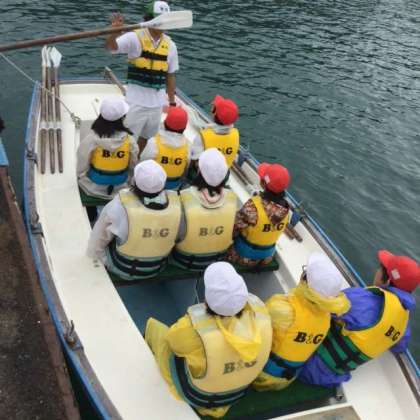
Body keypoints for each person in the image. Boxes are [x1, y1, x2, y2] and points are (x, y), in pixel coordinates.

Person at [145, 261, 272, 418]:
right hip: (235, 394)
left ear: (208, 297)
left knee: (156, 329)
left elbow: (173, 341)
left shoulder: (193, 329)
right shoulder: (262, 316)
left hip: (199, 396)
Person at [299, 250, 420, 388]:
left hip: (304, 362)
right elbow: (399, 347)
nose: (377, 271)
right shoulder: (404, 323)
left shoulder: (360, 298)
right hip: (332, 378)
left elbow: (319, 306)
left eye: (380, 268)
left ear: (387, 281)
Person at [253, 253, 350, 391]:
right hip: (288, 378)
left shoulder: (282, 307)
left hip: (260, 374)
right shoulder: (326, 318)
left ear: (304, 280)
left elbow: (253, 325)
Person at [86, 160, 181, 280]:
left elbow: (99, 237)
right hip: (157, 267)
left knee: (109, 232)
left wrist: (94, 255)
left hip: (123, 268)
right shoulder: (177, 205)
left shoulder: (120, 204)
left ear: (134, 181)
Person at [106, 1, 179, 155]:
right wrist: (114, 32)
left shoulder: (170, 45)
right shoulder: (134, 38)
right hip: (135, 103)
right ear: (149, 19)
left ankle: (137, 158)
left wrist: (172, 102)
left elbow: (170, 75)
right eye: (160, 19)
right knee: (126, 139)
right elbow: (111, 48)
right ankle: (124, 162)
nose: (163, 23)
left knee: (147, 137)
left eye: (166, 19)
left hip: (157, 104)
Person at [173, 148, 238, 271]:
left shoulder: (184, 197)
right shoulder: (233, 199)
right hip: (217, 260)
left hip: (184, 261)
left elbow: (175, 236)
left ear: (199, 171)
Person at [227, 163, 290, 267]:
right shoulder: (286, 209)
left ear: (263, 183)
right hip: (267, 258)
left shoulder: (252, 207)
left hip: (242, 257)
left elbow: (232, 230)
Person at [77, 97, 138, 200]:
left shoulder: (91, 139)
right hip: (121, 188)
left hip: (92, 188)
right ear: (123, 117)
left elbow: (81, 166)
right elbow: (133, 165)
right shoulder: (130, 141)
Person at [140, 106, 190, 190]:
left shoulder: (154, 142)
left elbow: (142, 163)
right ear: (184, 128)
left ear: (165, 123)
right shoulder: (188, 146)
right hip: (174, 187)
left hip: (152, 186)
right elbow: (185, 169)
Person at [189, 95, 239, 169]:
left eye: (214, 109)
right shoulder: (236, 134)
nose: (211, 109)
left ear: (215, 115)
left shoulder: (203, 136)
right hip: (224, 172)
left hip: (205, 174)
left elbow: (193, 159)